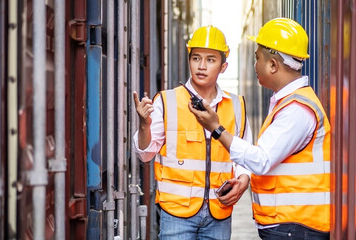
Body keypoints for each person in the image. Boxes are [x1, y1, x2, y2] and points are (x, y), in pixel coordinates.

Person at [188, 18, 331, 240]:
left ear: (273, 65)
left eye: (257, 59)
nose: (254, 65)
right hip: (290, 225)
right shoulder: (289, 103)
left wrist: (216, 129)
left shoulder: (297, 110)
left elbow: (262, 159)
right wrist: (246, 178)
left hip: (297, 226)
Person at [132, 25, 252, 239]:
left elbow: (243, 156)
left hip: (219, 211)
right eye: (196, 58)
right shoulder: (167, 101)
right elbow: (145, 153)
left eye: (210, 60)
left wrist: (243, 180)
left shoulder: (236, 106)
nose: (202, 66)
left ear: (223, 66)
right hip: (176, 213)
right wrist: (144, 125)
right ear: (189, 61)